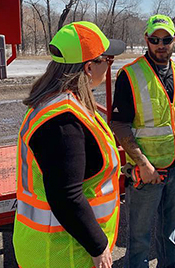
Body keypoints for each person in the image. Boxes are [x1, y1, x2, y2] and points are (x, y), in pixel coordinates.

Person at [13, 21, 125, 268]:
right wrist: (98, 246)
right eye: (107, 60)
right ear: (88, 67)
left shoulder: (56, 102)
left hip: (55, 247)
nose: (109, 66)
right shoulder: (62, 122)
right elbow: (66, 196)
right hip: (62, 253)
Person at [111, 14, 175, 268]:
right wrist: (142, 163)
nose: (161, 44)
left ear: (174, 40)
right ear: (146, 40)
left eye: (166, 39)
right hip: (146, 172)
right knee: (139, 237)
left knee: (170, 230)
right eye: (155, 39)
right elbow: (118, 124)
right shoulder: (130, 74)